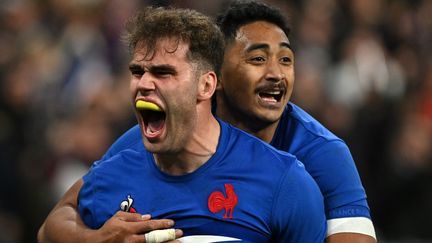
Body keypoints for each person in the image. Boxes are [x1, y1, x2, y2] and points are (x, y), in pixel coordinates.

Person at [38, 0, 376, 242]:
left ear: (206, 81)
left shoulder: (315, 158)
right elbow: (56, 221)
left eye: (285, 59)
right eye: (257, 59)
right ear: (218, 77)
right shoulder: (136, 147)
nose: (275, 73)